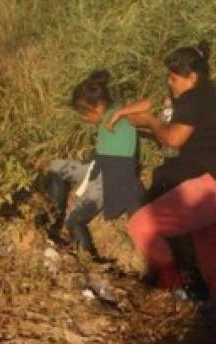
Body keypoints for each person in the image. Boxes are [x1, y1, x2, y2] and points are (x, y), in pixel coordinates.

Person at [111, 41, 216, 306]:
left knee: (141, 225)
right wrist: (132, 116)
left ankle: (174, 291)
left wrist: (152, 123)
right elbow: (173, 122)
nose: (170, 83)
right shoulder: (207, 95)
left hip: (206, 185)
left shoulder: (193, 98)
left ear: (193, 77)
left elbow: (174, 138)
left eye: (174, 78)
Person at [46, 70, 144, 258]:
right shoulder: (109, 113)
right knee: (56, 166)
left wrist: (122, 112)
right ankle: (53, 219)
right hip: (96, 167)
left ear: (97, 107)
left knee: (74, 220)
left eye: (85, 114)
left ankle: (92, 259)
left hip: (108, 178)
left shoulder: (118, 115)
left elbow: (149, 104)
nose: (84, 119)